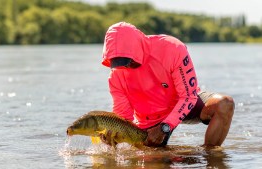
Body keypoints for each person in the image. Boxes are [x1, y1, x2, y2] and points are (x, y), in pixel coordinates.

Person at [100, 22, 234, 147]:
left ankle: (210, 156)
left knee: (225, 104)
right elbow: (124, 118)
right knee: (153, 161)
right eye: (119, 62)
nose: (125, 66)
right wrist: (115, 136)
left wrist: (166, 126)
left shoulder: (172, 48)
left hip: (184, 104)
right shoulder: (115, 76)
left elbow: (188, 96)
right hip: (150, 120)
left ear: (138, 47)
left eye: (128, 60)